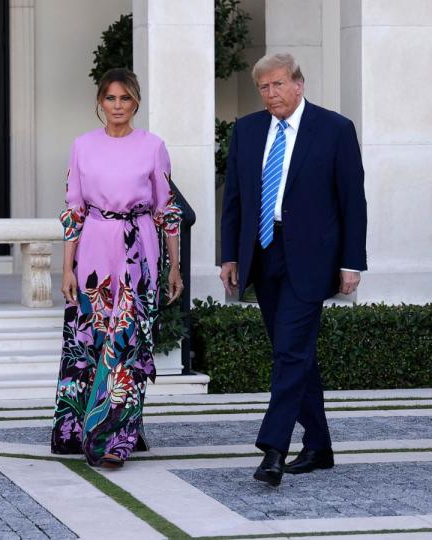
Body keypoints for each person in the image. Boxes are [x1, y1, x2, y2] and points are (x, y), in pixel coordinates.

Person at [220, 53, 367, 486]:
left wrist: (351, 261)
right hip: (262, 253)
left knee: (289, 352)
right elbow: (235, 201)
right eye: (263, 87)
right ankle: (319, 445)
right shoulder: (246, 131)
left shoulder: (335, 129)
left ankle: (273, 450)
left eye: (278, 85)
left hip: (312, 257)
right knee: (295, 352)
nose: (271, 94)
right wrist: (230, 256)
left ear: (299, 84)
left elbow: (352, 202)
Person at [51, 68, 184, 468]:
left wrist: (173, 267)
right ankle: (79, 428)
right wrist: (67, 268)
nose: (118, 106)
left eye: (125, 99)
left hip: (137, 249)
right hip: (93, 248)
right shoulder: (82, 146)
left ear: (136, 102)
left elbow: (166, 210)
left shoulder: (153, 146)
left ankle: (116, 438)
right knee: (89, 341)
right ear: (99, 103)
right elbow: (74, 209)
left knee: (127, 341)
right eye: (110, 99)